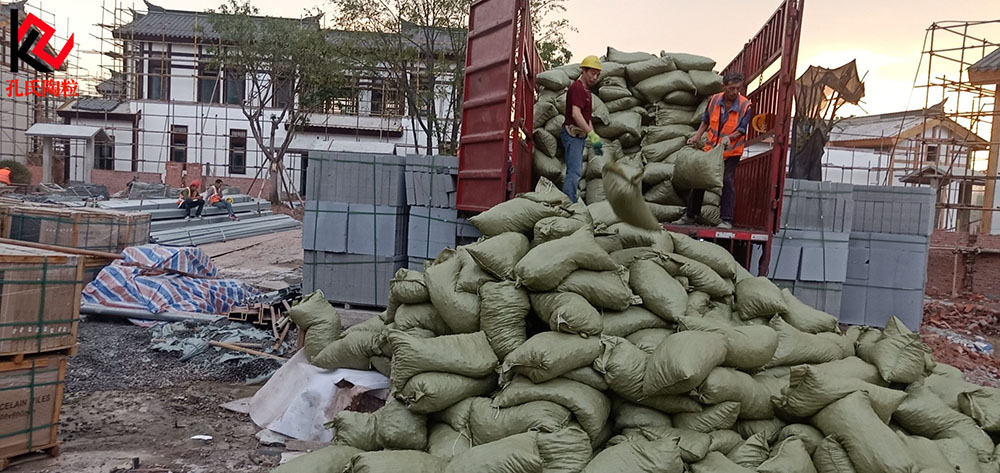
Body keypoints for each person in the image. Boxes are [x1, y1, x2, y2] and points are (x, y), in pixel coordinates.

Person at [673, 72, 752, 229]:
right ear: (724, 87)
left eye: (738, 88)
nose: (735, 92)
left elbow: (742, 130)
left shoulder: (745, 106)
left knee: (727, 181)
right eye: (731, 88)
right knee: (700, 179)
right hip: (711, 149)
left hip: (731, 152)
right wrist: (697, 136)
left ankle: (726, 220)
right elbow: (705, 120)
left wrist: (729, 138)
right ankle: (691, 215)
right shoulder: (714, 100)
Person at [560, 55, 604, 203]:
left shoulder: (587, 93)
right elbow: (576, 114)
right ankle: (568, 204)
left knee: (575, 171)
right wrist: (591, 133)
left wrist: (594, 137)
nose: (595, 77)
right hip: (572, 134)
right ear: (583, 71)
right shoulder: (577, 88)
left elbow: (586, 118)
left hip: (579, 136)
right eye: (592, 73)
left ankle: (569, 201)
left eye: (597, 74)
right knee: (574, 172)